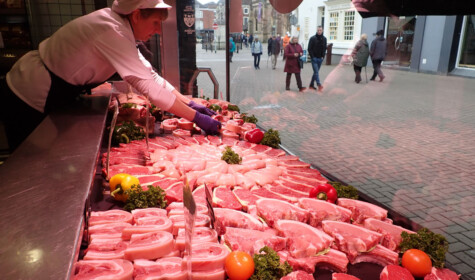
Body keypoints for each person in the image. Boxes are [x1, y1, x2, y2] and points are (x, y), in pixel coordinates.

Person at [0, 0, 220, 152]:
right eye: (155, 23)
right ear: (136, 15)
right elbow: (150, 90)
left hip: (51, 90)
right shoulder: (111, 30)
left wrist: (190, 103)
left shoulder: (120, 29)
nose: (158, 30)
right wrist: (197, 118)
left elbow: (151, 76)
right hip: (28, 94)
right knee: (32, 166)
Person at [307, 26, 327, 92]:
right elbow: (309, 48)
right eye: (318, 30)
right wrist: (312, 57)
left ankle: (311, 85)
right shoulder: (312, 38)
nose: (319, 31)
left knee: (316, 72)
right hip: (314, 59)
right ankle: (319, 85)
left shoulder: (324, 39)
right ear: (316, 30)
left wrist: (322, 57)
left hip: (320, 58)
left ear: (322, 30)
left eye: (320, 30)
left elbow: (324, 48)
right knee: (316, 72)